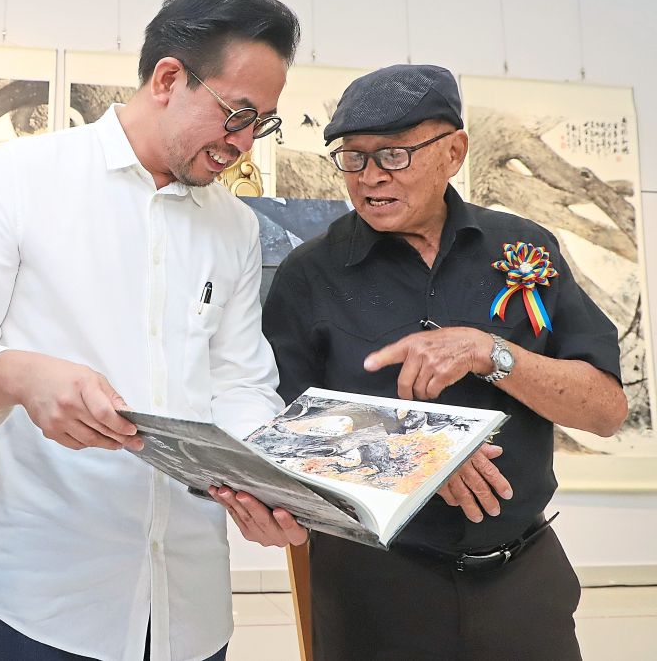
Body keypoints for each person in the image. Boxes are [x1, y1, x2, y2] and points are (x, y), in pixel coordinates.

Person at [0, 0, 300, 661]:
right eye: (237, 114)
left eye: (261, 123)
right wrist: (23, 376)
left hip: (187, 602)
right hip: (40, 593)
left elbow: (240, 383)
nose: (245, 144)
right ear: (168, 78)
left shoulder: (234, 228)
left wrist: (266, 482)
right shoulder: (22, 175)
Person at [229, 63, 626, 660]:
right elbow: (280, 429)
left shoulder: (523, 249)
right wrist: (418, 459)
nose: (367, 178)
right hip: (375, 578)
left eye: (392, 155)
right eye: (353, 157)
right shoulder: (309, 274)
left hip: (522, 573)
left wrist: (488, 351)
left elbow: (605, 410)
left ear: (454, 152)